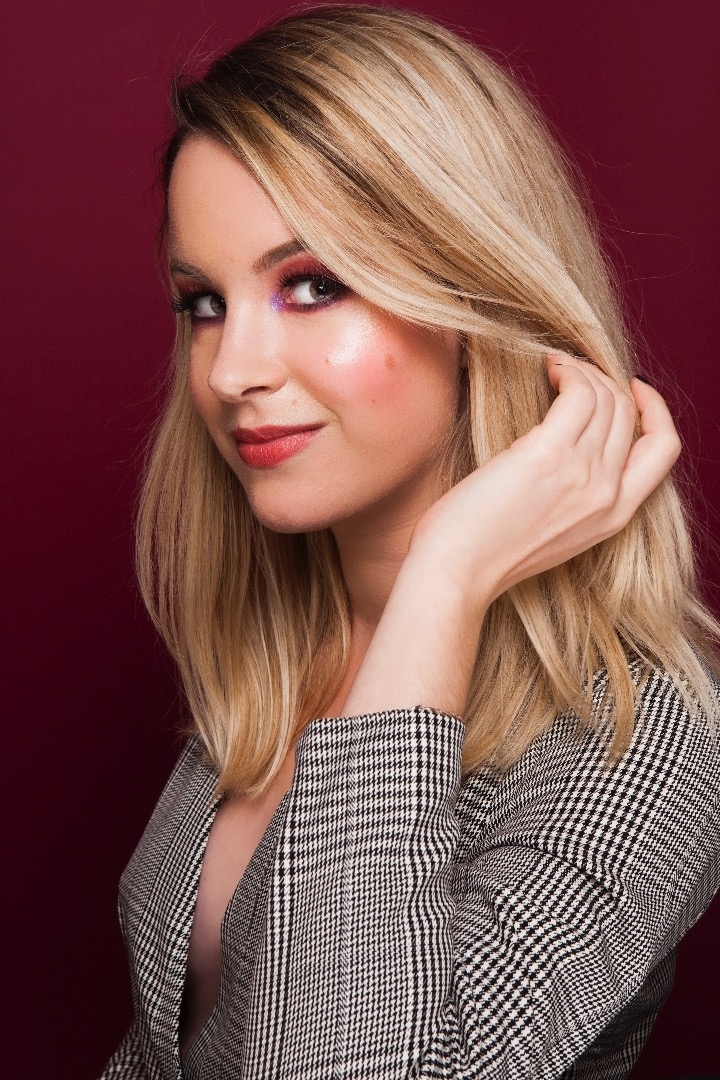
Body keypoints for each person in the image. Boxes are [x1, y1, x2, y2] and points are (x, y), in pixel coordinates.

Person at [101, 6, 720, 1078]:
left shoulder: (645, 732)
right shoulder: (281, 641)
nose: (231, 370)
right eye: (202, 302)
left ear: (476, 294)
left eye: (311, 284)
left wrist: (447, 574)